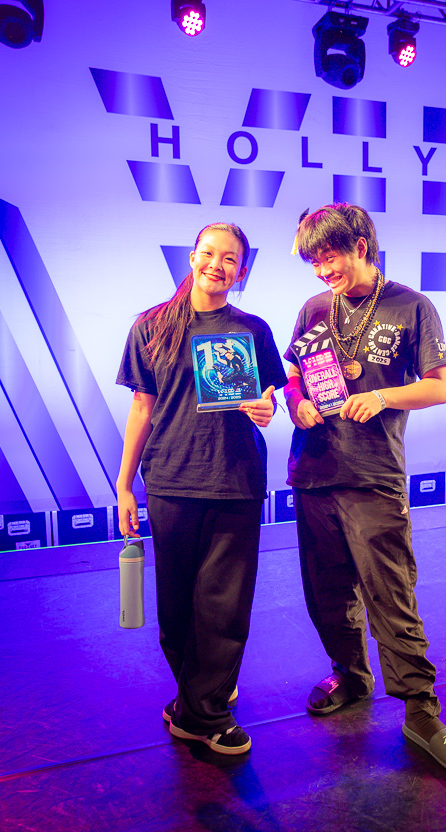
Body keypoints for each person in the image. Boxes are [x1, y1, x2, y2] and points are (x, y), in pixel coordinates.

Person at [283, 203, 446, 777]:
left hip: (373, 475)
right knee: (327, 591)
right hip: (314, 470)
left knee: (391, 595)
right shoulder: (313, 308)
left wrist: (382, 397)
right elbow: (293, 370)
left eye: (331, 257)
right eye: (314, 261)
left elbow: (440, 387)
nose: (323, 270)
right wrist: (294, 401)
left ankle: (421, 711)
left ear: (362, 246)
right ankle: (350, 675)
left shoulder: (411, 305)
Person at [116, 222, 287, 755]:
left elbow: (270, 398)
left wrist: (268, 408)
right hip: (171, 478)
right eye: (209, 253)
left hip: (236, 478)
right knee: (175, 608)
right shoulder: (152, 326)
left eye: (230, 258)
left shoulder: (252, 330)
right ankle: (198, 697)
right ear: (192, 257)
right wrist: (124, 485)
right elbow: (141, 408)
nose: (217, 264)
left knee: (224, 606)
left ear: (242, 270)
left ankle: (204, 713)